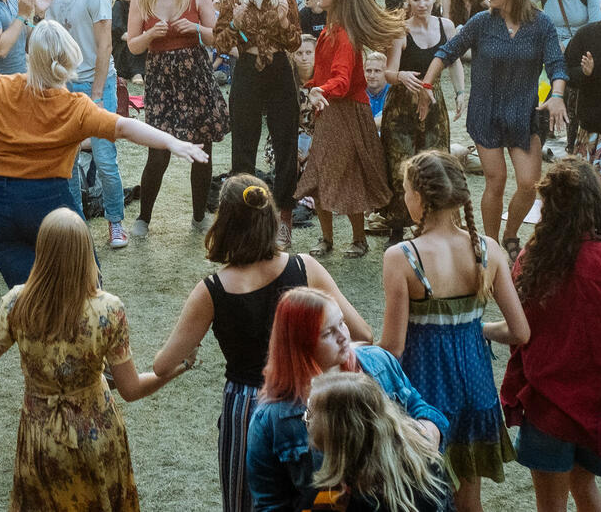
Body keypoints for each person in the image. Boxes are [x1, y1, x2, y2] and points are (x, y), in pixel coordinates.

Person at [0, 209, 178, 511]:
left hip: (40, 437)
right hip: (98, 435)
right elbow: (131, 389)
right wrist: (177, 368)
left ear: (41, 249)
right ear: (86, 252)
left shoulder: (17, 303)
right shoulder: (109, 310)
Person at [151, 176, 371, 512]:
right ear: (271, 219)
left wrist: (187, 361)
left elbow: (162, 365)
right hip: (308, 400)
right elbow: (362, 335)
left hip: (247, 407)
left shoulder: (212, 290)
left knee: (248, 502)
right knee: (316, 499)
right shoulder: (305, 266)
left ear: (223, 222)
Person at [0, 19, 208, 285]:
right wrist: (172, 142)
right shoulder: (75, 106)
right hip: (45, 200)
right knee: (86, 283)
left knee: (26, 293)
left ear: (29, 55)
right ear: (71, 59)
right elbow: (125, 127)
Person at [379, 149, 530, 511]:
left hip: (424, 392)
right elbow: (520, 332)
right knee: (469, 499)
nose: (404, 197)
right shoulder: (488, 250)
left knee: (421, 496)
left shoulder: (402, 257)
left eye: (404, 190)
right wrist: (481, 330)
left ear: (419, 197)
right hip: (477, 390)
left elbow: (393, 349)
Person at [245, 287, 448, 512]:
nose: (343, 336)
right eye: (328, 333)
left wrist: (427, 432)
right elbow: (270, 504)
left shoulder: (378, 364)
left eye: (341, 323)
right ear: (299, 345)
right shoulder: (272, 419)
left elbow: (421, 408)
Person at [421, 0, 568, 260]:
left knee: (529, 183)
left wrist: (558, 95)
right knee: (496, 180)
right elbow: (447, 52)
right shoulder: (481, 22)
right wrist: (426, 84)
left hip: (524, 113)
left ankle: (511, 233)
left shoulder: (541, 24)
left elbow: (556, 64)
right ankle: (490, 245)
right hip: (485, 111)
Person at [501, 157, 601, 512]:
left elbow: (519, 330)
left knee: (550, 504)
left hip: (548, 404)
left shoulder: (534, 259)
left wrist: (482, 330)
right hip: (598, 404)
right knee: (586, 487)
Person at [124, 0, 229, 237]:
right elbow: (133, 46)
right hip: (161, 79)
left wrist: (197, 28)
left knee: (201, 146)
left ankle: (198, 217)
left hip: (195, 74)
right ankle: (144, 217)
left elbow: (217, 37)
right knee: (158, 151)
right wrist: (150, 36)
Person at [295, 0, 405, 258]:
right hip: (330, 111)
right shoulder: (330, 30)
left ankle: (358, 240)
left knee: (347, 175)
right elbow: (326, 75)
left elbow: (342, 82)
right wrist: (312, 86)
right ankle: (328, 239)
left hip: (345, 113)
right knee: (319, 174)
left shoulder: (343, 35)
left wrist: (321, 90)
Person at [37, 0, 130, 242]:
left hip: (95, 82)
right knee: (68, 161)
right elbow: (49, 39)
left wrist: (96, 94)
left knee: (104, 159)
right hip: (65, 84)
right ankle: (76, 225)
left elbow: (105, 47)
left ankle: (116, 220)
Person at [213, 0, 303, 244]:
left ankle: (284, 220)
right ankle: (244, 219)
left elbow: (295, 44)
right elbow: (221, 44)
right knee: (243, 147)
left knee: (286, 146)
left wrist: (282, 19)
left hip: (280, 71)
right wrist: (236, 25)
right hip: (247, 72)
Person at [379, 0, 466, 245]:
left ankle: (436, 223)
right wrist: (401, 74)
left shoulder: (447, 26)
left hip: (434, 103)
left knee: (437, 164)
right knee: (400, 167)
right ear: (407, 0)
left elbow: (455, 63)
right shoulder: (400, 29)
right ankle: (397, 226)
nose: (422, 4)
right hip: (402, 105)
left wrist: (461, 92)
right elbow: (388, 72)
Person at [302, 373, 454, 512]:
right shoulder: (426, 462)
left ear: (337, 431)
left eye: (310, 414)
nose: (305, 419)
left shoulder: (335, 499)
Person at [564, 0, 601, 187]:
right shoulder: (587, 34)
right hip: (591, 130)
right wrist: (585, 73)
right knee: (588, 192)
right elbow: (565, 71)